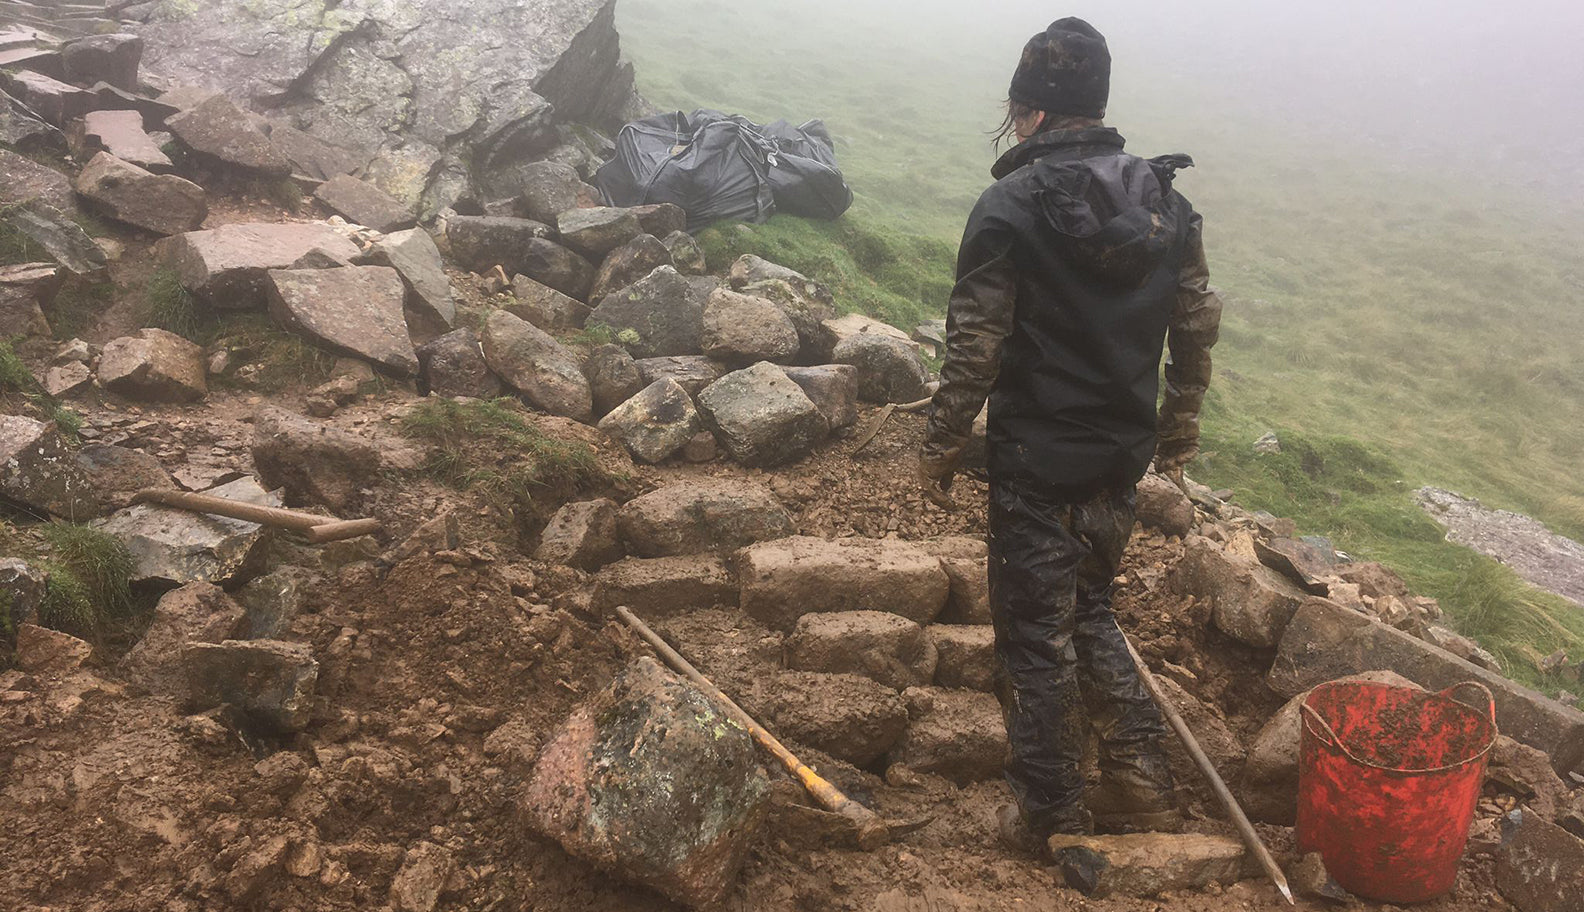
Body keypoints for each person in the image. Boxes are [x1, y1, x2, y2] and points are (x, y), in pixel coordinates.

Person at [917, 17, 1223, 850]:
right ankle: (1140, 780)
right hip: (1119, 458)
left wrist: (941, 443)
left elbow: (974, 344)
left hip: (1035, 462)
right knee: (1089, 607)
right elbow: (1196, 323)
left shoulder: (1009, 206)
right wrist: (1180, 428)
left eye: (1018, 110)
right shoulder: (1170, 204)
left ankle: (1049, 814)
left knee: (1032, 637)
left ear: (1034, 113)